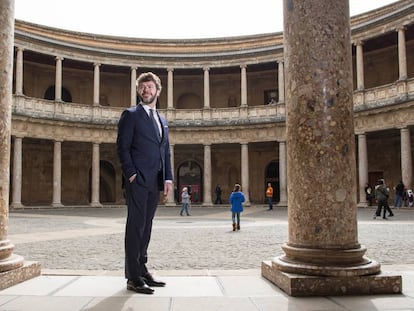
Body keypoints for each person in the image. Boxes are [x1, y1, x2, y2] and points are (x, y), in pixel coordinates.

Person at [117, 72, 173, 295]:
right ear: (139, 90)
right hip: (138, 180)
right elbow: (122, 148)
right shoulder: (130, 115)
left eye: (150, 87)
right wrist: (131, 175)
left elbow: (164, 151)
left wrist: (168, 177)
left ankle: (142, 269)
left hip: (155, 181)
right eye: (143, 87)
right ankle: (132, 276)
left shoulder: (162, 119)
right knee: (135, 226)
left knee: (146, 226)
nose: (146, 90)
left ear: (158, 91)